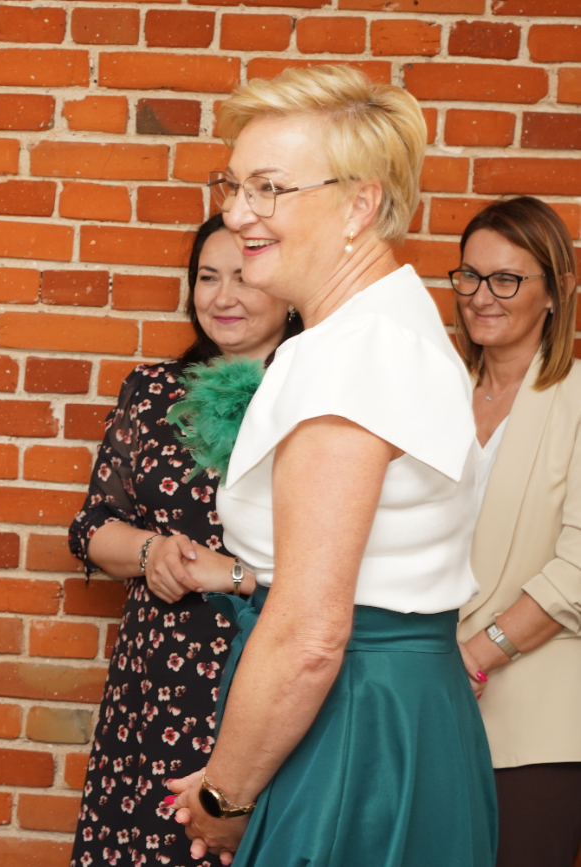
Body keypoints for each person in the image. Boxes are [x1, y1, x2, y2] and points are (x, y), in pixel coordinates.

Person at [165, 65, 496, 866]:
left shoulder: (353, 356)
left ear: (361, 203)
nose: (236, 212)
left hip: (352, 730)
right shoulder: (391, 327)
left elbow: (311, 635)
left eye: (269, 187)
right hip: (400, 714)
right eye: (234, 183)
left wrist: (224, 795)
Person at [66, 213, 298, 867]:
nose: (223, 296)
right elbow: (91, 527)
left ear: (287, 285)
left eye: (245, 276)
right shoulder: (153, 391)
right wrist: (151, 552)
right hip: (152, 683)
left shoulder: (315, 400)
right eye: (208, 277)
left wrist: (232, 574)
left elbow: (344, 565)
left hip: (258, 677)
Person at [449, 197, 581, 867]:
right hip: (426, 709)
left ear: (556, 292)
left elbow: (579, 570)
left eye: (507, 279)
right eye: (469, 276)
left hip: (533, 727)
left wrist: (476, 654)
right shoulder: (435, 395)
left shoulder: (578, 400)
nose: (481, 296)